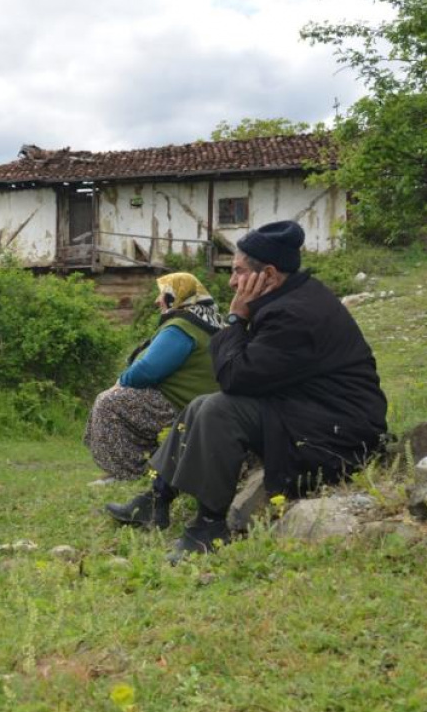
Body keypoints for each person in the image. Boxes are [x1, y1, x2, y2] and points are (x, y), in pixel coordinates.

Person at [105, 221, 388, 561]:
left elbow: (234, 378)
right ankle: (157, 499)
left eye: (238, 271)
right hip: (308, 408)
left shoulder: (295, 314)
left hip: (336, 428)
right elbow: (247, 373)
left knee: (218, 410)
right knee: (200, 405)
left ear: (267, 274)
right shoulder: (291, 299)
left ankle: (210, 526)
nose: (232, 281)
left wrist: (236, 318)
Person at [84, 272, 224, 483]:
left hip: (182, 406)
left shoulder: (181, 328)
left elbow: (148, 370)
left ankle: (129, 472)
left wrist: (121, 382)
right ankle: (148, 465)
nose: (157, 300)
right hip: (201, 405)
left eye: (163, 294)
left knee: (108, 402)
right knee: (121, 401)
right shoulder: (208, 323)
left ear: (176, 297)